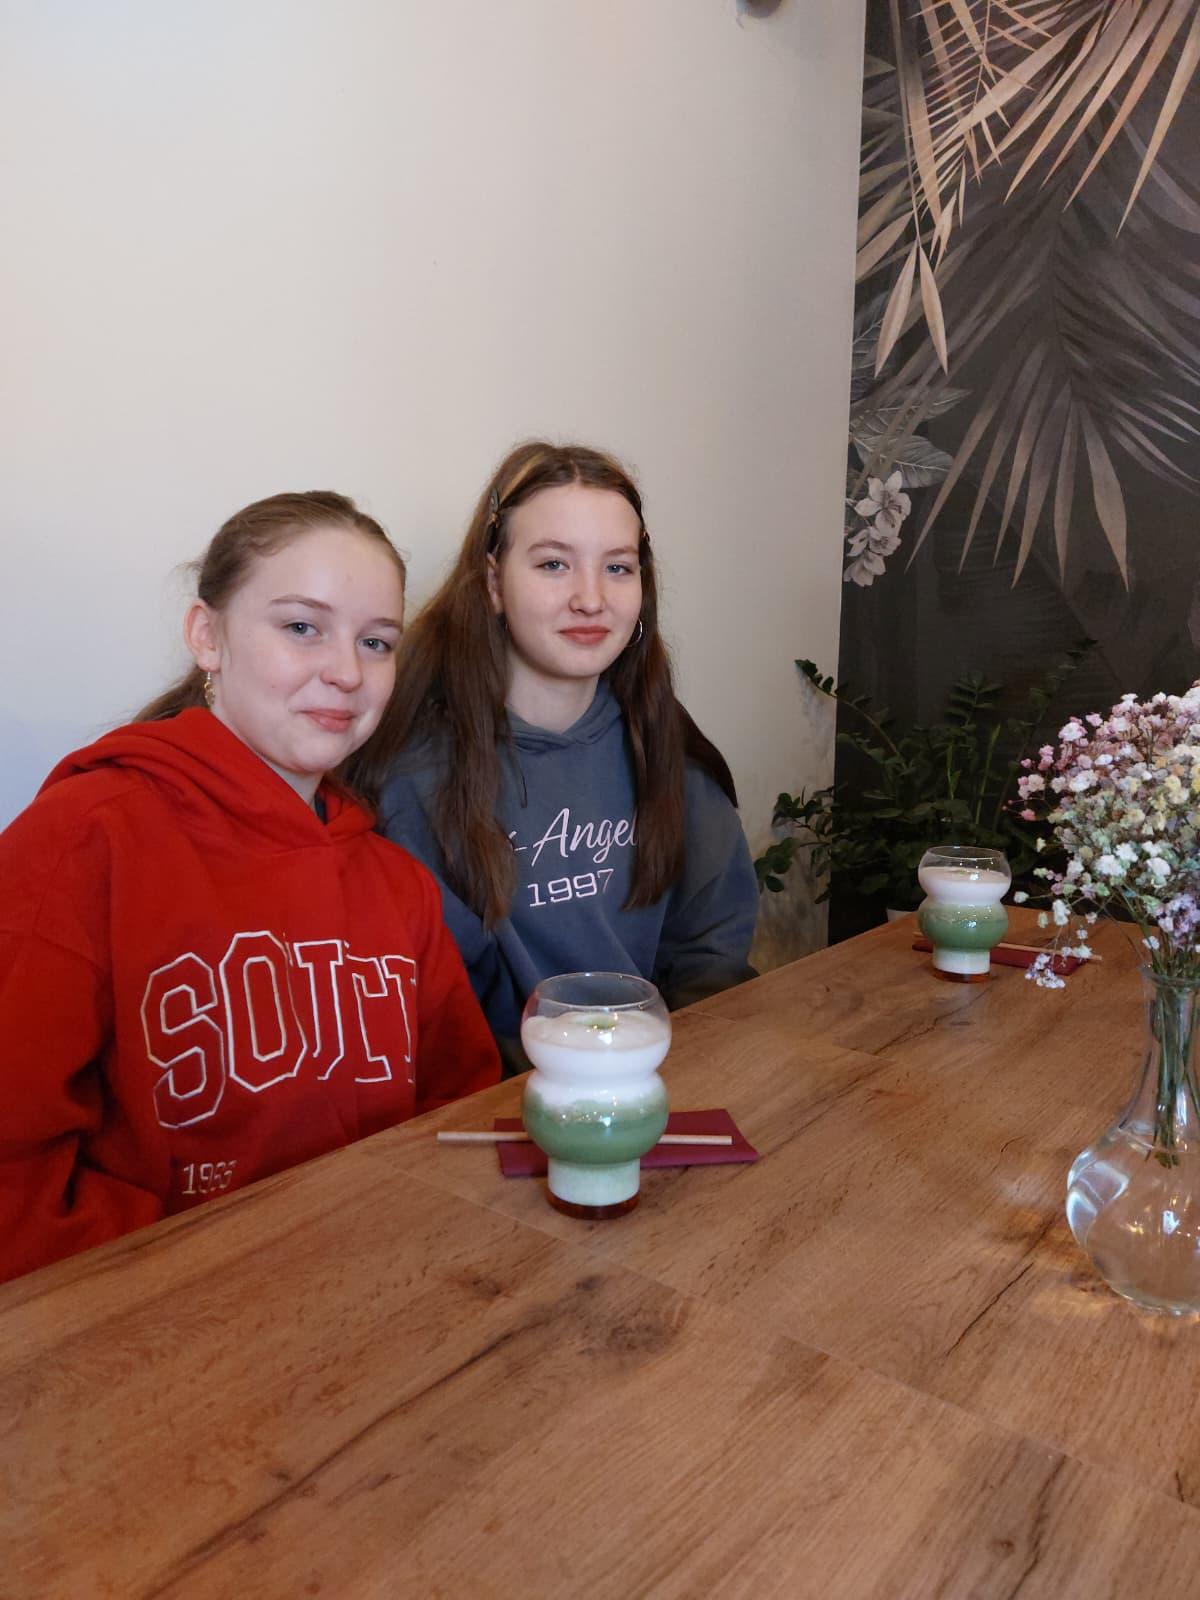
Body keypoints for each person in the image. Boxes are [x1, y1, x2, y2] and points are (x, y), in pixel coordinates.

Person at [0, 491, 499, 1283]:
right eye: (302, 627)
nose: (346, 672)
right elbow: (15, 1179)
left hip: (377, 1293)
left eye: (376, 642)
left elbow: (460, 1112)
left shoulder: (396, 882)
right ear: (208, 635)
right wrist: (206, 1275)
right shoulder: (85, 836)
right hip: (154, 1317)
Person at [350, 442, 758, 1066]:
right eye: (553, 564)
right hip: (500, 1097)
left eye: (617, 567)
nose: (590, 598)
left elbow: (712, 950)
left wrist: (657, 1070)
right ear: (494, 583)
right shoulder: (414, 776)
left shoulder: (663, 739)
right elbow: (438, 1010)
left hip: (659, 1075)